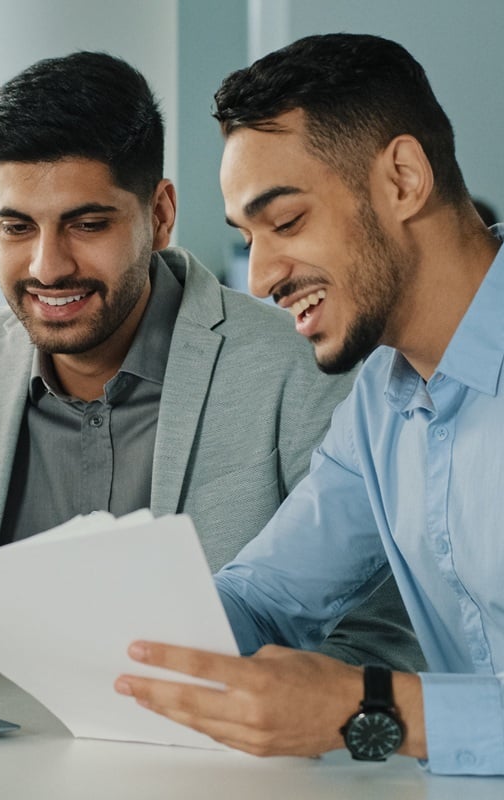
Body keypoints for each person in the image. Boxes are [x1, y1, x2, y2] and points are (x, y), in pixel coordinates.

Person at [0, 50, 420, 696]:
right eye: (16, 227)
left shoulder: (303, 364)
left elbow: (380, 643)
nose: (48, 266)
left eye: (87, 224)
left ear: (159, 216)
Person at [115, 33, 504, 776]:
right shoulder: (381, 403)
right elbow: (265, 596)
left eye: (286, 222)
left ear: (402, 179)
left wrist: (372, 708)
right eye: (248, 237)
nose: (260, 278)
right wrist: (136, 634)